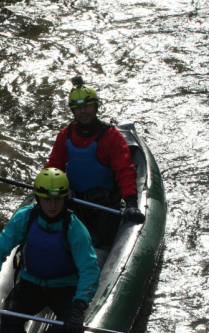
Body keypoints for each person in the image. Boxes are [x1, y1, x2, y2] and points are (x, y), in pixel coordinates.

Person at [0, 168, 100, 333]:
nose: (53, 205)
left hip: (65, 289)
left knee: (63, 332)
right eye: (47, 199)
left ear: (65, 199)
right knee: (9, 325)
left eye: (58, 199)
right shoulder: (25, 218)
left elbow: (89, 269)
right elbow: (0, 248)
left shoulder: (75, 229)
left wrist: (79, 305)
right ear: (38, 199)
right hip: (30, 285)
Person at [45, 76, 145, 248]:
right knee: (61, 237)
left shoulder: (112, 136)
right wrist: (57, 191)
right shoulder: (66, 135)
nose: (83, 111)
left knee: (104, 240)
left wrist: (130, 203)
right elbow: (54, 167)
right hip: (76, 201)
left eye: (87, 106)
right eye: (78, 108)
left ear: (95, 107)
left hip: (106, 204)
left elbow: (125, 171)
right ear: (73, 111)